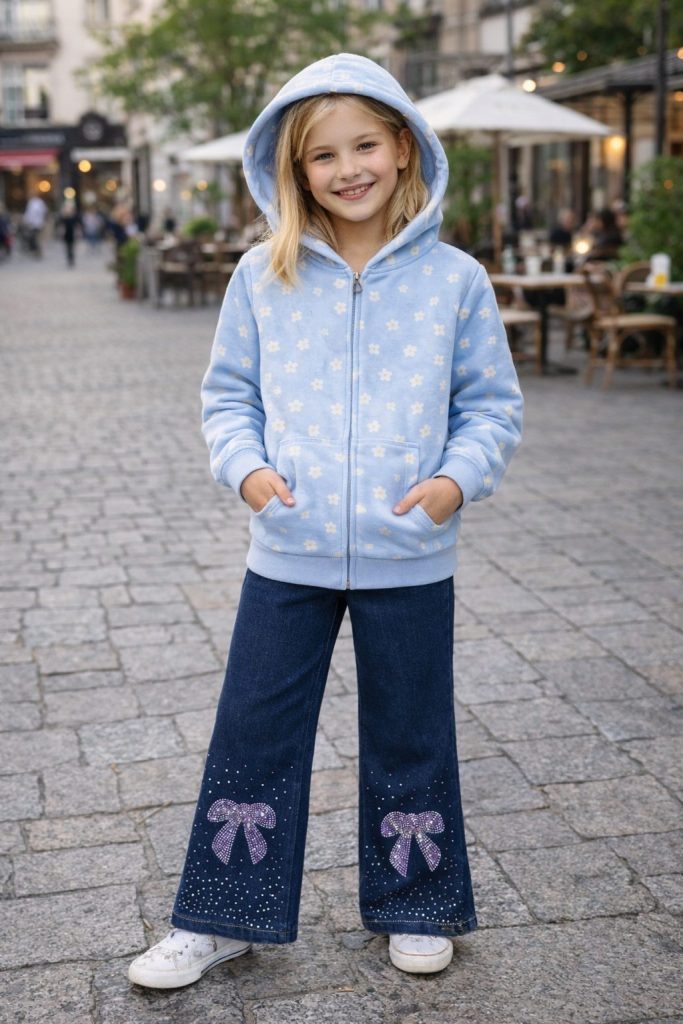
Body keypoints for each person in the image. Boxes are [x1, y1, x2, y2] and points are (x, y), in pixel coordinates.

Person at [128, 52, 523, 989]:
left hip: (410, 551)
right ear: (295, 170)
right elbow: (228, 397)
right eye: (322, 155)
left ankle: (416, 903)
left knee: (411, 731)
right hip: (287, 550)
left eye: (364, 146)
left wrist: (451, 484)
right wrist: (250, 474)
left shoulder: (455, 280)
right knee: (252, 729)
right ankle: (219, 917)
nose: (348, 169)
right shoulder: (260, 276)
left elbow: (490, 407)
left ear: (403, 147)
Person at [21, 192, 48, 257]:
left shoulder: (38, 203)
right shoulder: (33, 202)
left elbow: (30, 213)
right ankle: (35, 250)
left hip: (36, 224)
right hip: (34, 224)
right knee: (33, 238)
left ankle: (37, 250)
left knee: (34, 238)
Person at [57, 199, 81, 267]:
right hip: (66, 234)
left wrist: (78, 232)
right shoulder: (63, 216)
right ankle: (69, 259)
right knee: (67, 247)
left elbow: (78, 224)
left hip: (73, 233)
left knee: (72, 247)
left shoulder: (75, 216)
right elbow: (60, 225)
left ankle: (72, 259)